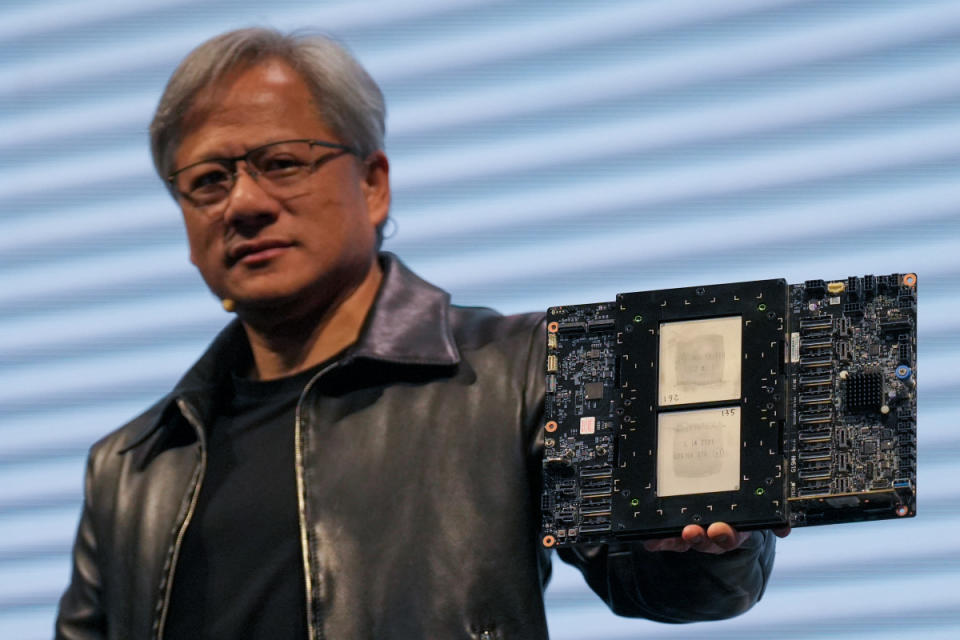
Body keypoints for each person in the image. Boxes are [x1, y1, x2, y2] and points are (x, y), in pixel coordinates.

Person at [55, 28, 785, 640]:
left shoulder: (520, 370)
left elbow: (666, 584)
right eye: (208, 180)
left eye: (280, 163)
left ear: (373, 183)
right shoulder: (129, 468)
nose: (243, 203)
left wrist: (688, 543)